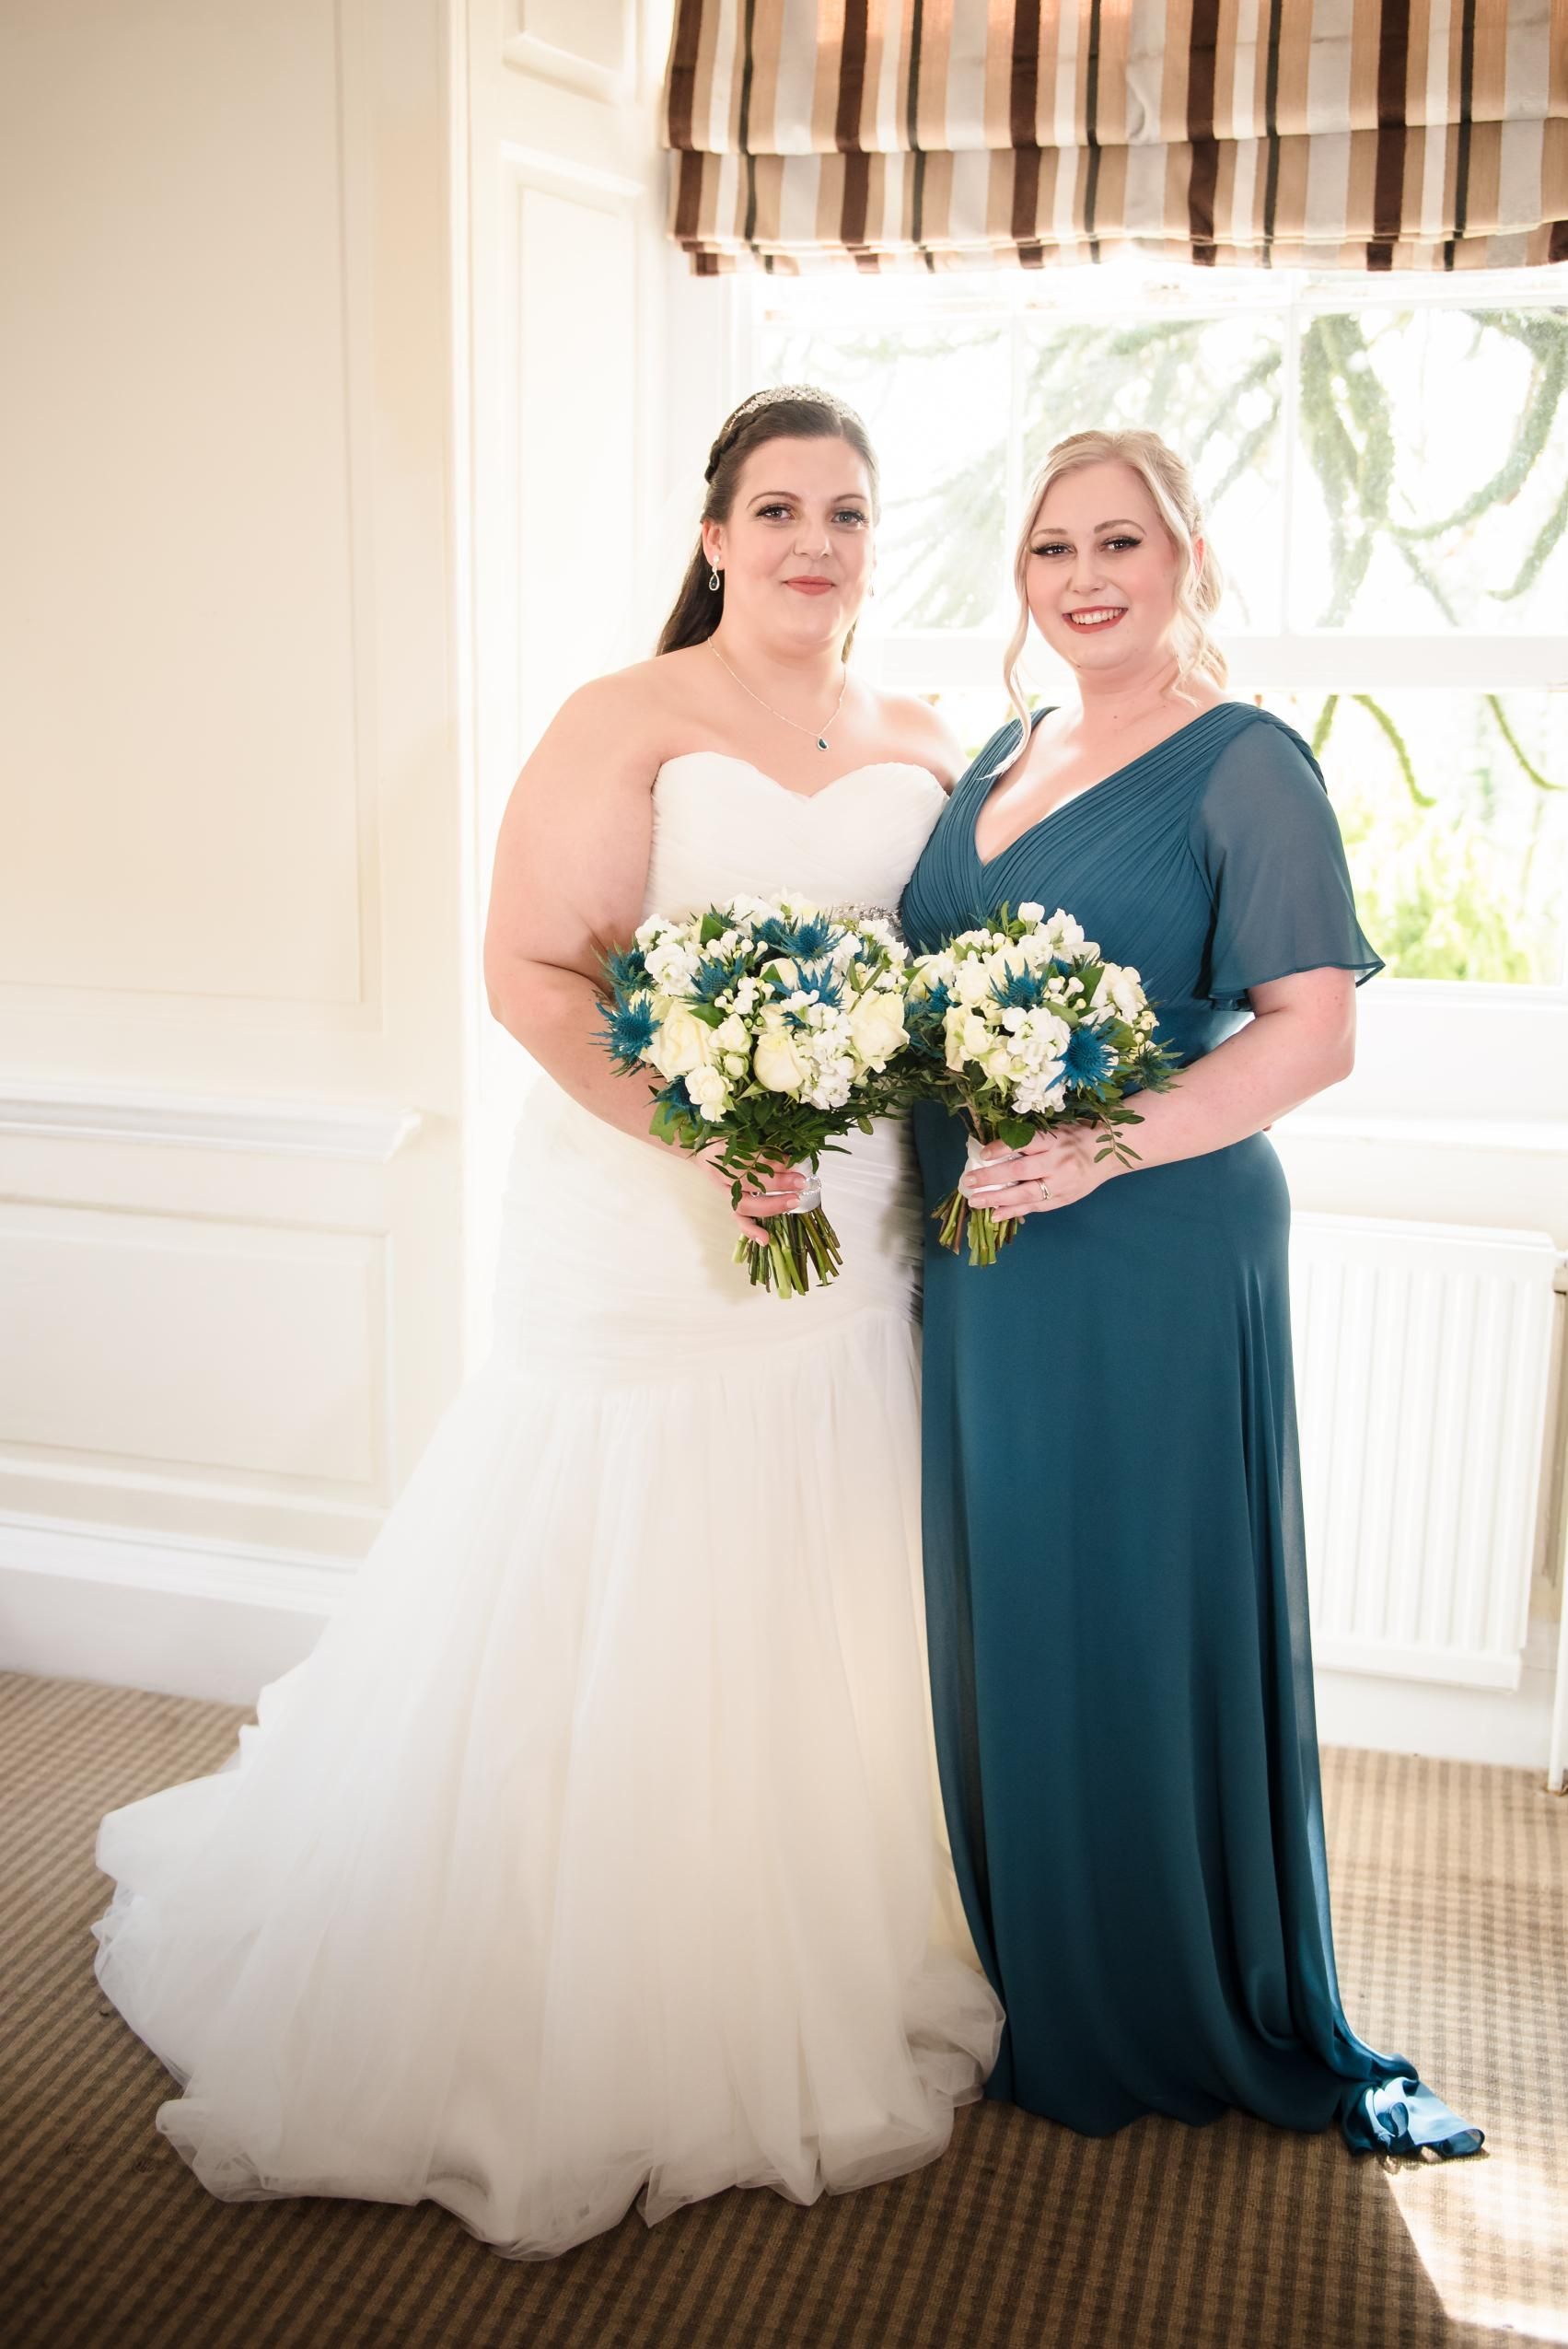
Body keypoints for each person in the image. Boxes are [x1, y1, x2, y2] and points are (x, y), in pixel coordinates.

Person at [91, 385, 1002, 2260]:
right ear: (714, 535)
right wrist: (712, 1136)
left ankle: (789, 1930)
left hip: (847, 1218)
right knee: (610, 1538)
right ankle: (550, 1967)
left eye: (845, 511)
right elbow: (532, 970)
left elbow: (941, 984)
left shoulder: (930, 738)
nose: (813, 542)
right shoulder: (624, 718)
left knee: (814, 1543)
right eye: (777, 509)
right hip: (646, 1207)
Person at [900, 427, 1482, 2160]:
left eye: (1121, 544)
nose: (1083, 579)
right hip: (988, 1252)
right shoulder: (1006, 751)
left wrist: (1098, 1150)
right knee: (1015, 1600)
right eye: (1050, 549)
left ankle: (1161, 1988)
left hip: (1151, 1245)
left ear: (1189, 560)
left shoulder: (1245, 764)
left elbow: (1316, 1028)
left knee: (1141, 1602)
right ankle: (1037, 1960)